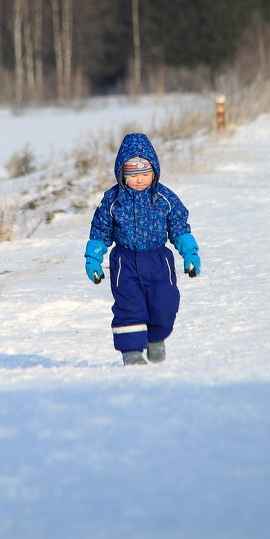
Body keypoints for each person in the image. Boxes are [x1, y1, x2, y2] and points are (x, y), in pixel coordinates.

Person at [84, 132, 200, 365]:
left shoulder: (164, 198)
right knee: (129, 305)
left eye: (146, 174)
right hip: (124, 263)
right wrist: (93, 259)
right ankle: (132, 352)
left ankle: (156, 339)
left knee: (165, 303)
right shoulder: (112, 200)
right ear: (122, 174)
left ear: (155, 172)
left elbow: (179, 227)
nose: (140, 180)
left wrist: (190, 253)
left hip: (158, 260)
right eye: (133, 175)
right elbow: (100, 230)